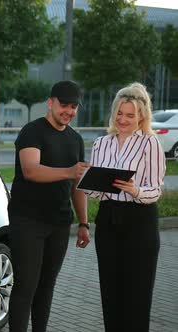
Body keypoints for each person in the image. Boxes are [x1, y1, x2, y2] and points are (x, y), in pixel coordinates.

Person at [8, 80, 90, 332]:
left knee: (47, 286)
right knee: (26, 285)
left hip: (60, 222)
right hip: (28, 220)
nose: (69, 111)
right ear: (50, 102)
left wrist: (84, 223)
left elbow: (78, 186)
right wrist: (68, 171)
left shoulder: (76, 140)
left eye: (74, 106)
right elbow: (31, 170)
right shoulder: (32, 132)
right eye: (64, 105)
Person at [84, 82, 165, 332]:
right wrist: (88, 180)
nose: (123, 119)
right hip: (108, 219)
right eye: (119, 113)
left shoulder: (150, 143)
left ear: (141, 116)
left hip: (140, 221)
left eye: (130, 115)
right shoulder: (101, 144)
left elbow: (156, 188)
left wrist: (135, 190)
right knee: (110, 290)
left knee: (137, 294)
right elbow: (94, 192)